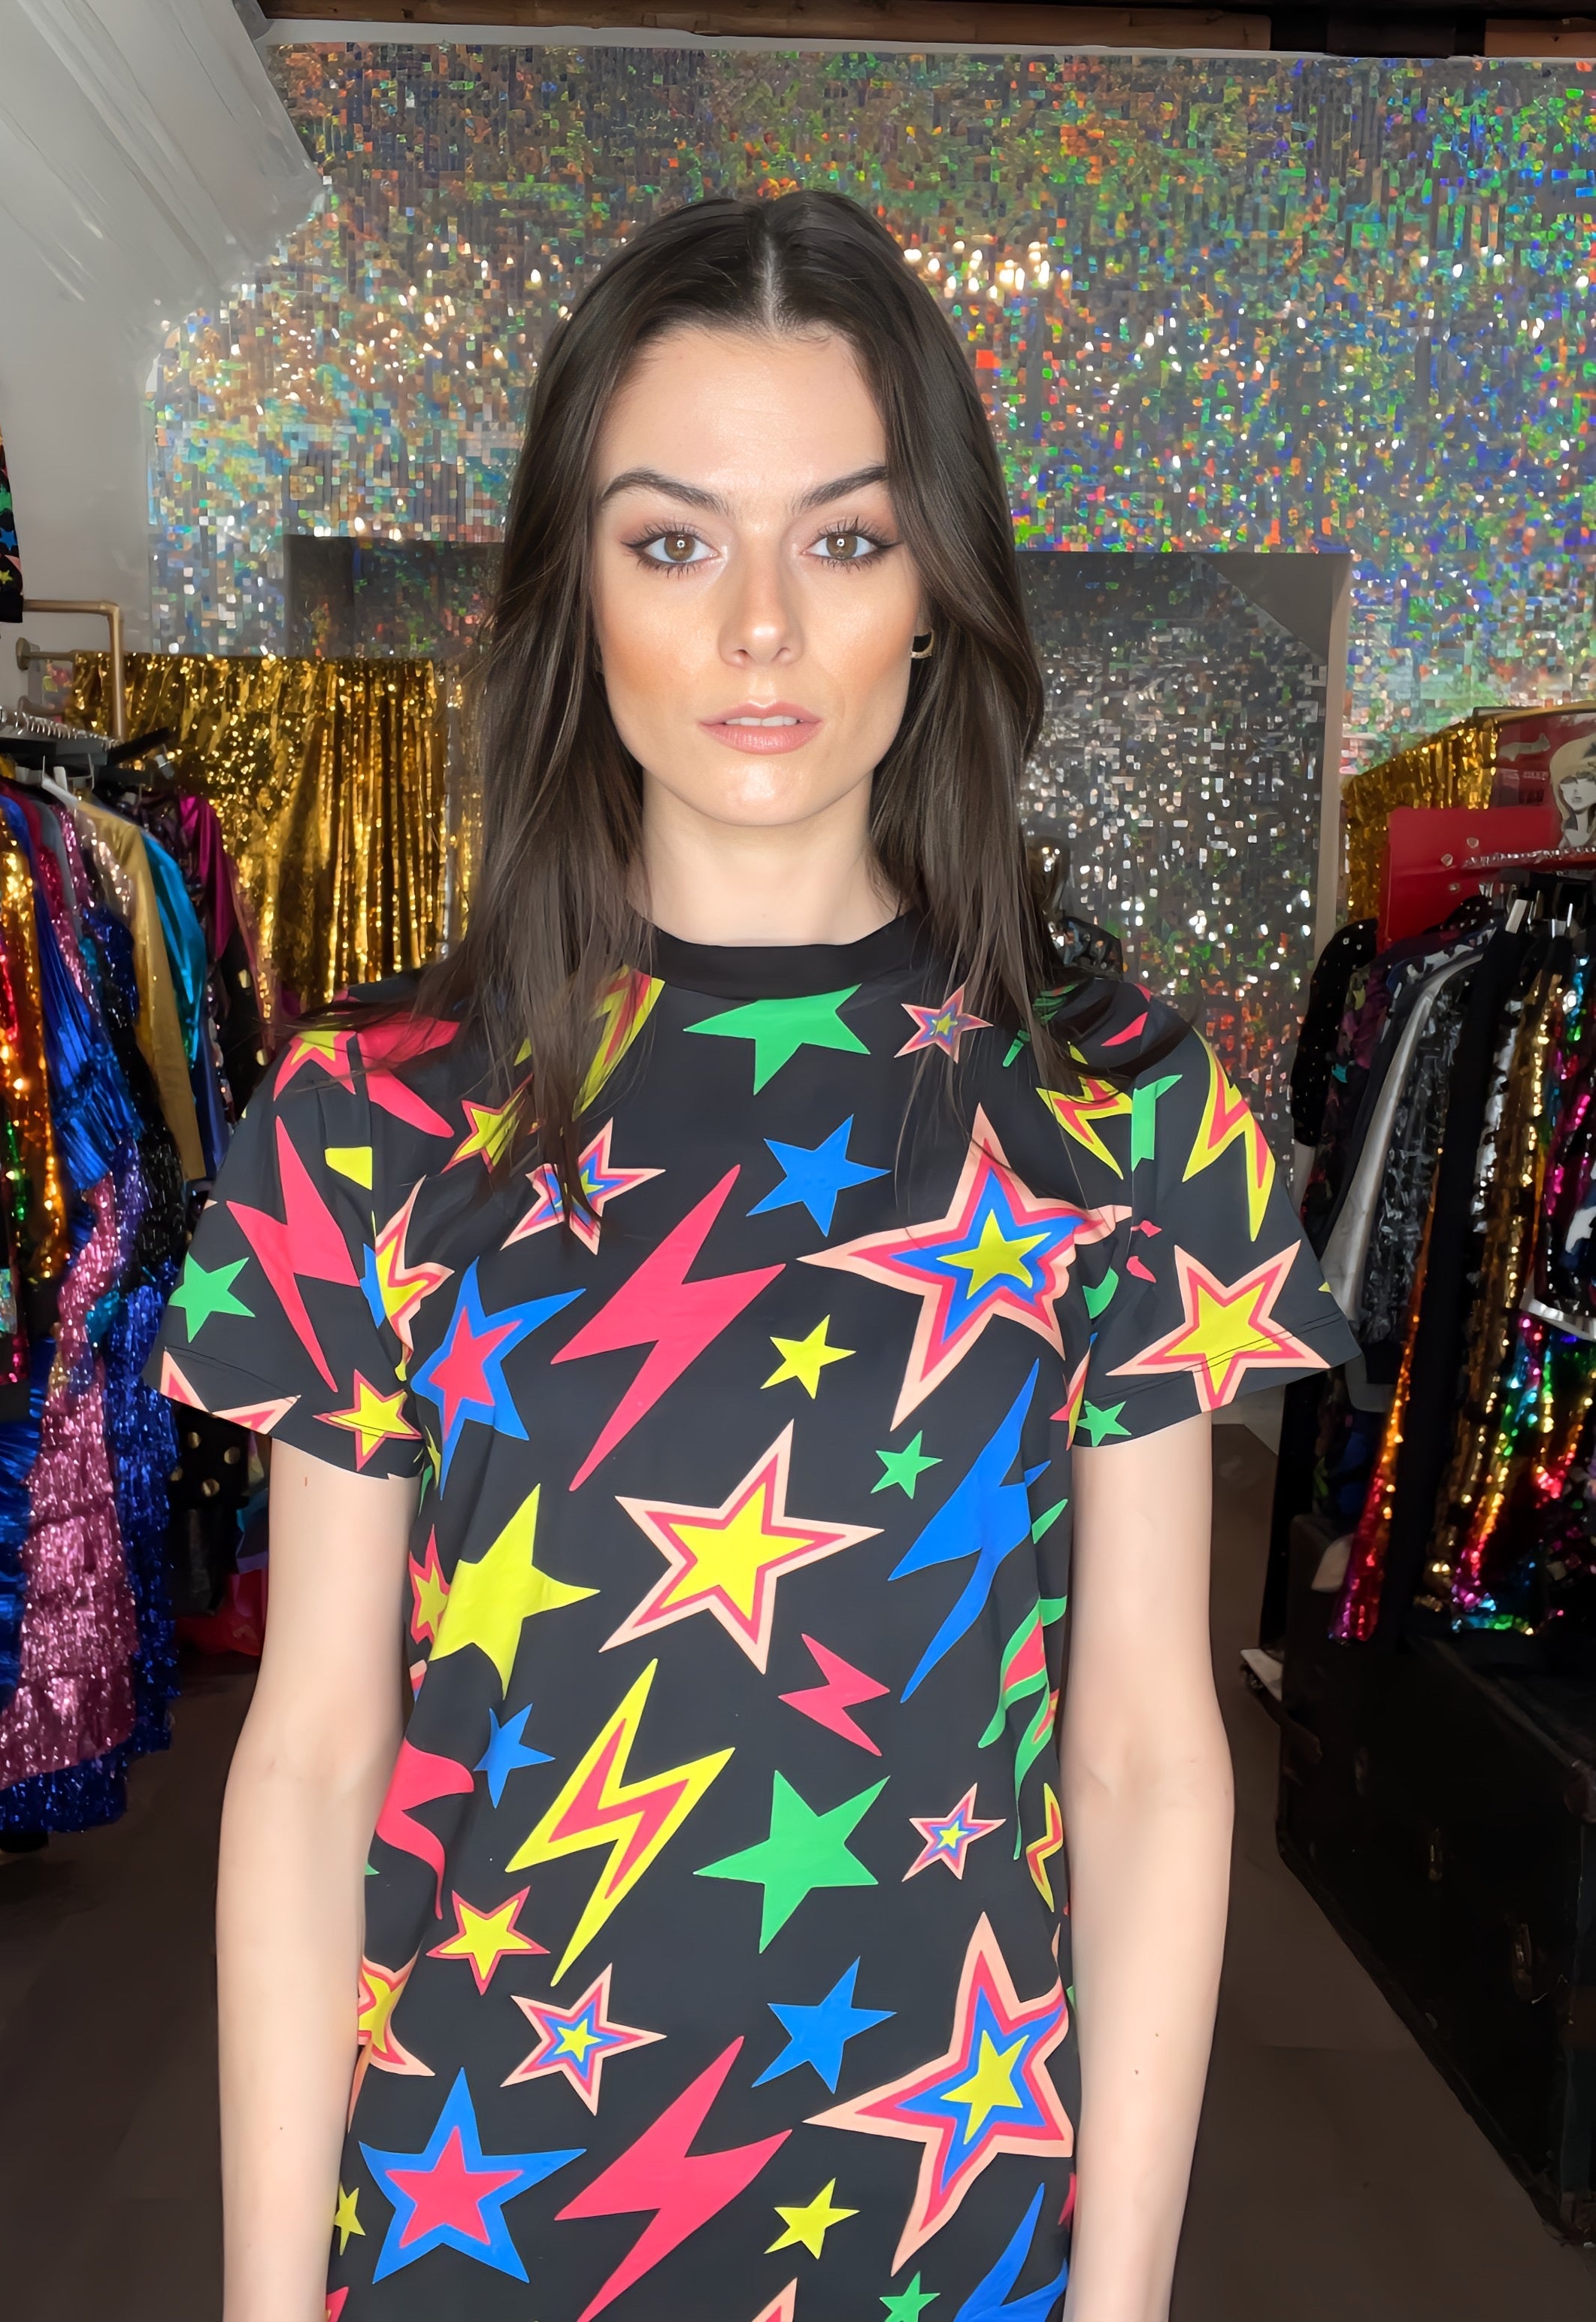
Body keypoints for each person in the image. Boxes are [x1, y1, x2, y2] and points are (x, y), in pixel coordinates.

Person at [150, 189, 1356, 2322]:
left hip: (941, 2226)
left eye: (847, 538)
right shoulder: (371, 1114)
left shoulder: (1114, 1107)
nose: (764, 632)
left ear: (938, 592)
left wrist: (1121, 2302)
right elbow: (316, 1752)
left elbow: (1148, 1753)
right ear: (574, 589)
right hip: (470, 2213)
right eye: (675, 542)